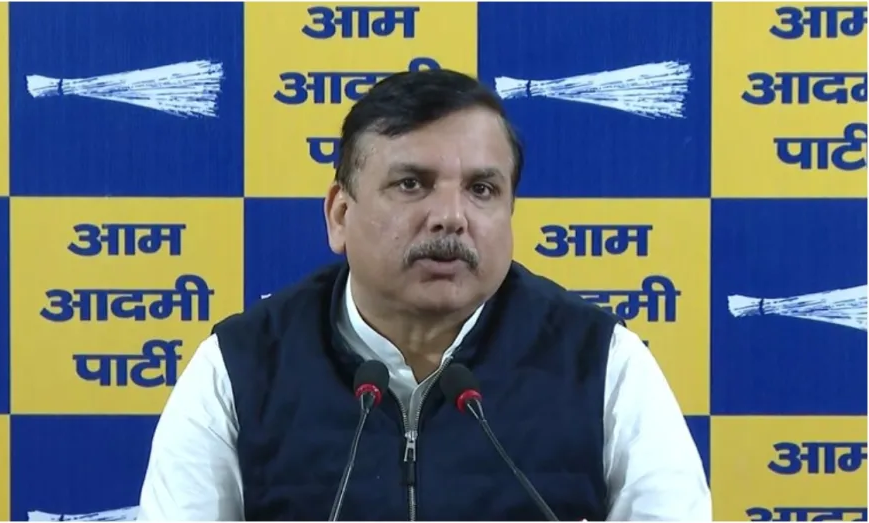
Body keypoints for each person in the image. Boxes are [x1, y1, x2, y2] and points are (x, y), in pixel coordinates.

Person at [137, 68, 711, 521]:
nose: (451, 217)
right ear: (340, 214)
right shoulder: (240, 368)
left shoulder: (601, 362)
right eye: (412, 184)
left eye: (482, 189)